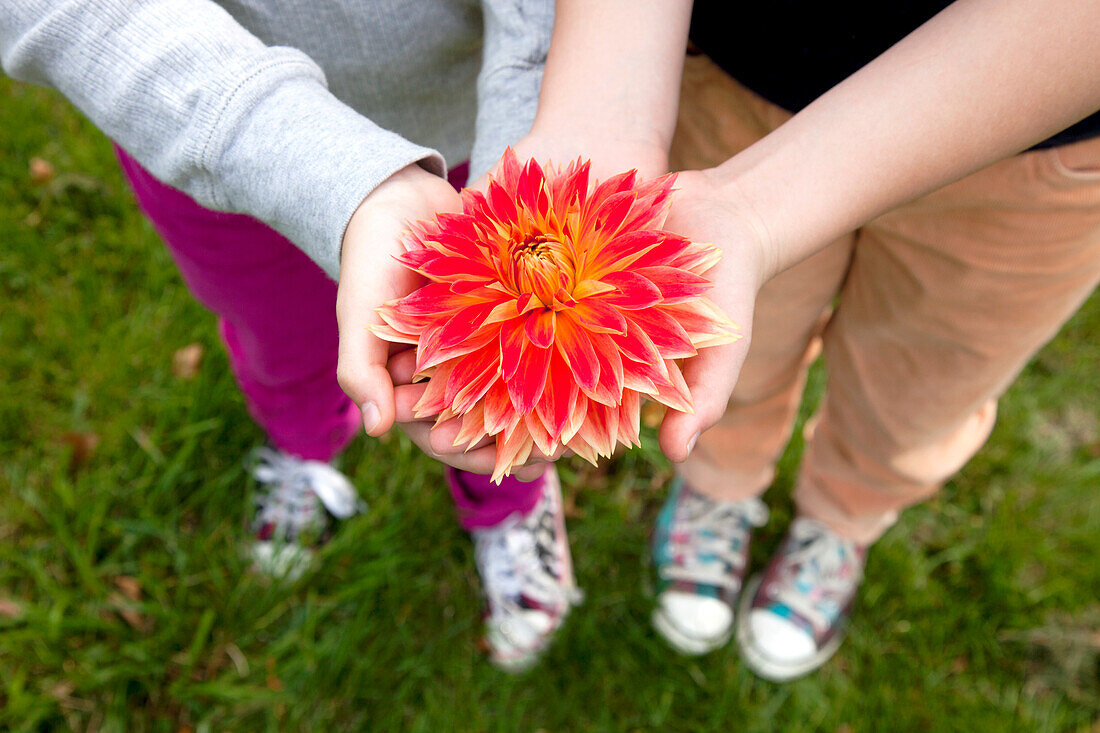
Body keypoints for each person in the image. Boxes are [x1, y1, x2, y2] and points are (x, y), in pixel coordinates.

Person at [426, 0, 1100, 679]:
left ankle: (845, 516)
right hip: (746, 78)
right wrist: (600, 120)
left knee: (925, 385)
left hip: (1041, 138)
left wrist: (747, 210)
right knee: (730, 353)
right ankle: (718, 486)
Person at [0, 0, 578, 670]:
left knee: (508, 381)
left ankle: (511, 504)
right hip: (211, 126)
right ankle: (303, 446)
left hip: (478, 132)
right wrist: (311, 165)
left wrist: (518, 163)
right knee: (278, 339)